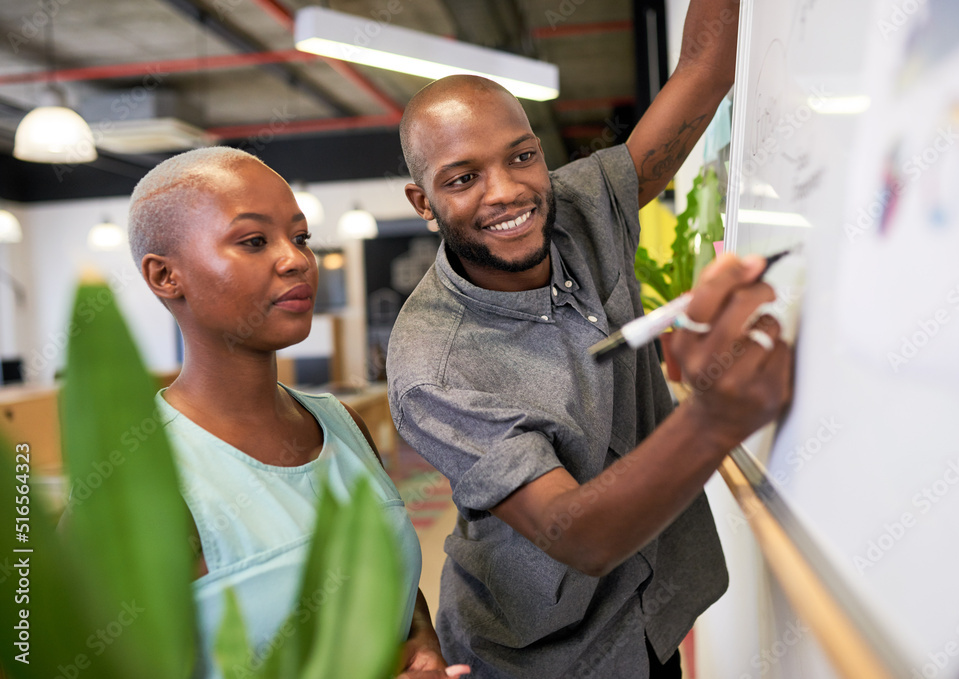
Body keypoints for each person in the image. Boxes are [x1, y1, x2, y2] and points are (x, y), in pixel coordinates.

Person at [385, 1, 792, 677]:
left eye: (521, 157)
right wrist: (716, 415)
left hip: (654, 611)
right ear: (423, 203)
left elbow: (705, 69)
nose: (507, 192)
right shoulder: (433, 362)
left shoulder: (579, 206)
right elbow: (573, 532)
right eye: (462, 178)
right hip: (542, 656)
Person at [128, 147, 470, 679]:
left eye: (301, 237)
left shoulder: (341, 424)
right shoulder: (142, 477)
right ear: (166, 276)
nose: (296, 260)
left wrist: (421, 641)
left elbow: (390, 588)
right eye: (254, 241)